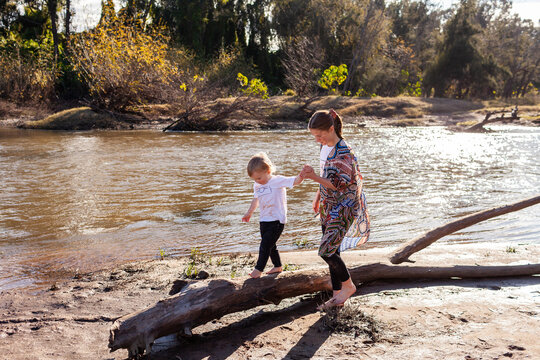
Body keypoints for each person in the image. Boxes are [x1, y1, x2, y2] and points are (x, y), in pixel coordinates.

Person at [301, 109, 370, 310]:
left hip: (343, 208)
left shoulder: (344, 152)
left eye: (320, 135)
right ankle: (337, 294)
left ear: (331, 129)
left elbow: (337, 184)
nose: (317, 140)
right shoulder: (329, 148)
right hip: (329, 206)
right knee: (331, 249)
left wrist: (312, 176)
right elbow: (326, 176)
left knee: (327, 251)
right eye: (314, 136)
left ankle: (348, 287)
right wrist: (318, 196)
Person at [242, 152, 304, 278]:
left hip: (277, 220)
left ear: (268, 170)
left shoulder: (278, 180)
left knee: (265, 245)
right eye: (254, 179)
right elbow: (256, 200)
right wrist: (249, 212)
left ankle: (258, 269)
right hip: (264, 219)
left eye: (259, 178)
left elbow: (295, 181)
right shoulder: (257, 184)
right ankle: (277, 266)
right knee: (271, 245)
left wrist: (303, 174)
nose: (257, 181)